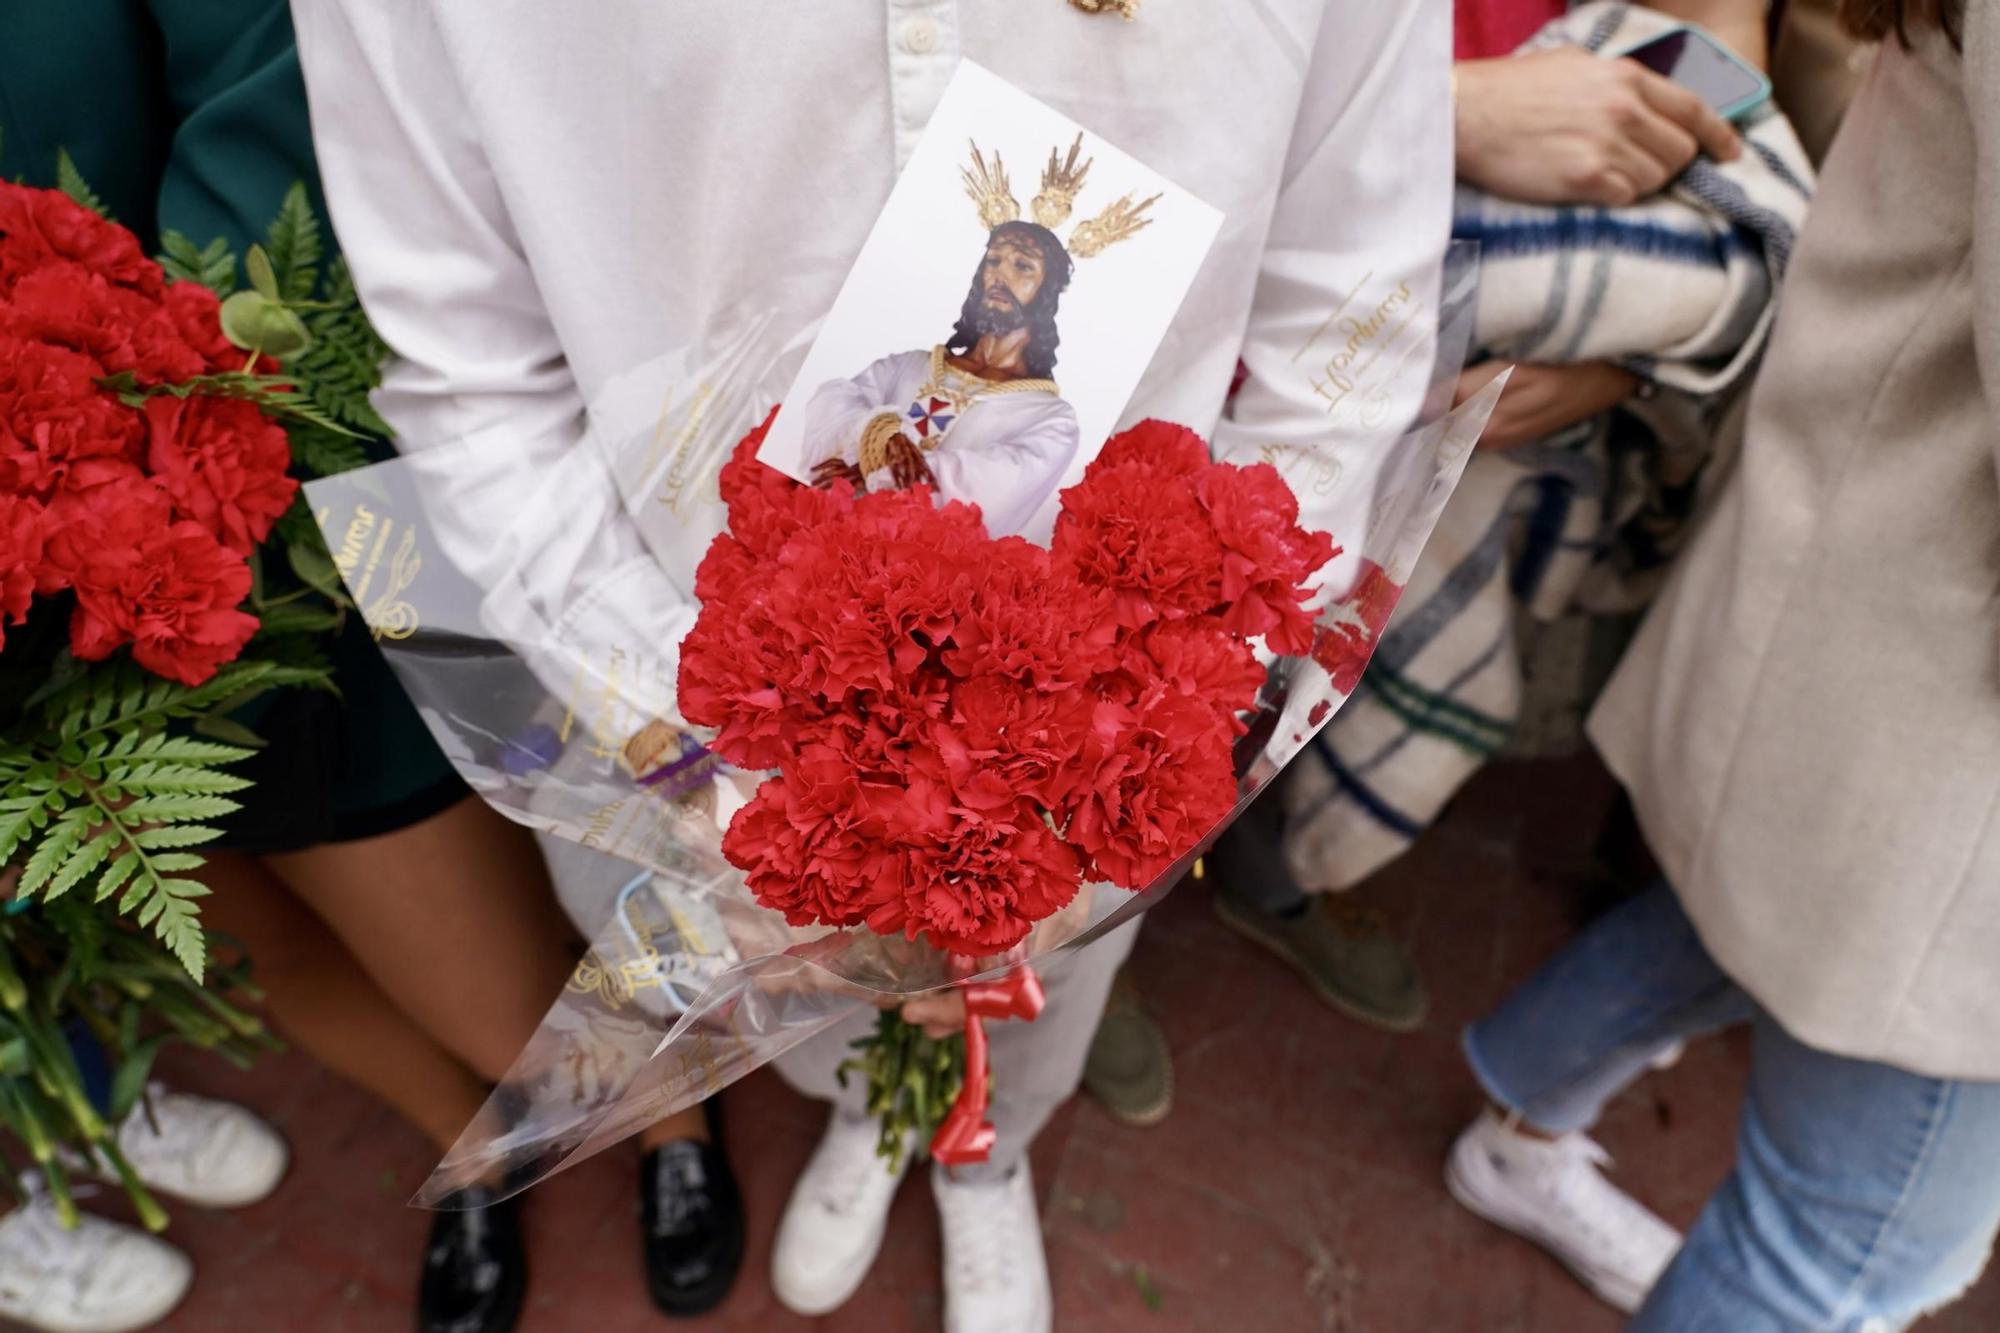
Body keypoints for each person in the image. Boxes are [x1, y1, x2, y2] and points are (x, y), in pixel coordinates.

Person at [287, 1, 1453, 1327]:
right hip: (692, 704)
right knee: (823, 1017)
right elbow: (468, 375)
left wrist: (1179, 693)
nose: (1005, 287)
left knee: (1044, 995)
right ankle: (867, 1120)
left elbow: (1355, 306)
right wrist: (730, 763)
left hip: (1102, 717)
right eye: (994, 271)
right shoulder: (908, 374)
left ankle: (986, 1158)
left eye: (1028, 275)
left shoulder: (1044, 405)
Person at [0, 6, 744, 1330]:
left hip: (285, 463)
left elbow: (272, 75)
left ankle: (667, 1126)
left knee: (543, 816)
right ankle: (470, 1141)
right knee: (239, 945)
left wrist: (147, 425)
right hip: (50, 670)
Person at [1084, 0, 1779, 1130]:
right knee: (1125, 689)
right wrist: (1441, 116)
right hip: (1191, 317)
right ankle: (1083, 952)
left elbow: (1724, 64)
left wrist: (1619, 360)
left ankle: (1257, 871)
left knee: (1306, 674)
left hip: (1456, 353)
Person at [1444, 0, 2000, 1325]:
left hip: (1869, 606)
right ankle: (1514, 1131)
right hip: (1935, 688)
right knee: (1850, 1246)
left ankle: (1515, 1128)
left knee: (1735, 908)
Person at [803, 219, 1082, 534]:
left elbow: (993, 488)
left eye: (1022, 265)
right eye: (993, 260)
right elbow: (829, 402)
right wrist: (881, 435)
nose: (999, 274)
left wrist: (873, 466)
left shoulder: (1051, 419)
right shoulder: (907, 366)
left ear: (1048, 289)